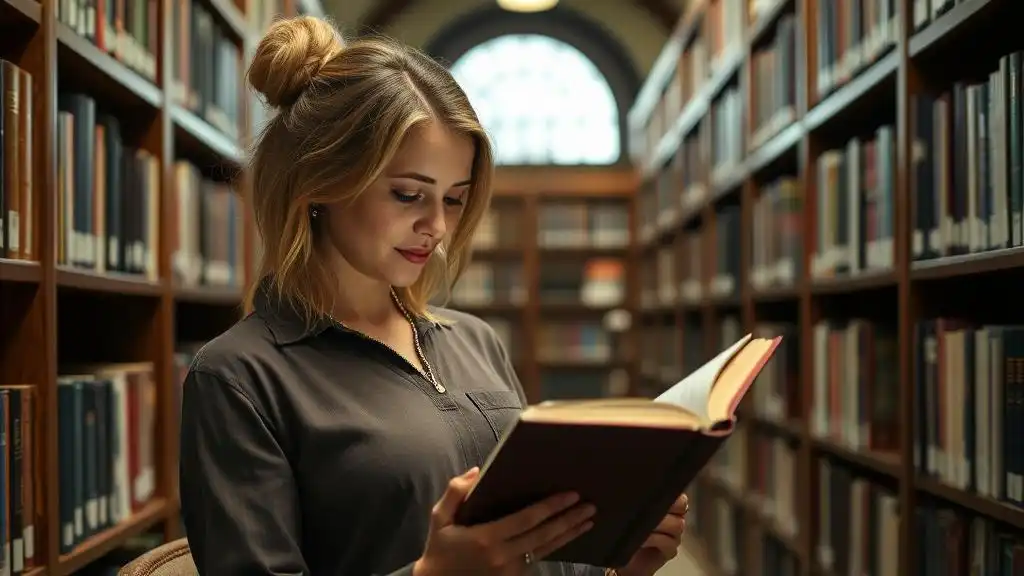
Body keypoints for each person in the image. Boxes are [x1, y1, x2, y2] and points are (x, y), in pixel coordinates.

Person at [178, 15, 689, 576]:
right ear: (318, 181)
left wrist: (619, 560)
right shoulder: (239, 378)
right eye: (407, 194)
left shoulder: (474, 340)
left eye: (453, 199)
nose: (437, 227)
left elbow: (536, 554)